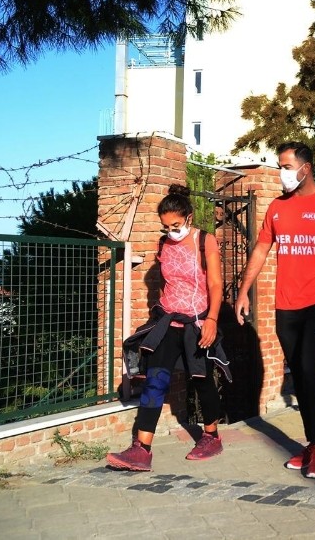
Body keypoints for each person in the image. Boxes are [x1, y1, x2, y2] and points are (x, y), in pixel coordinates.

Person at [233, 142, 315, 479]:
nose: (282, 173)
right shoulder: (277, 208)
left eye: (286, 167)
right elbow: (260, 251)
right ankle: (312, 441)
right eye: (279, 166)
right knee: (300, 375)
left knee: (310, 370)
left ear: (305, 169)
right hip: (286, 305)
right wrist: (244, 291)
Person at [108, 185, 228, 471]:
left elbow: (215, 284)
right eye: (166, 226)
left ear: (189, 217)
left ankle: (211, 436)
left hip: (197, 323)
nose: (171, 231)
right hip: (169, 322)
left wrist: (211, 320)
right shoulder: (163, 244)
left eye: (176, 225)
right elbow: (165, 282)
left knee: (201, 379)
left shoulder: (204, 241)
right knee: (155, 380)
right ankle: (142, 449)